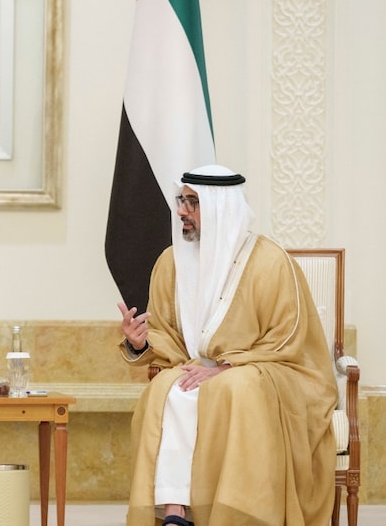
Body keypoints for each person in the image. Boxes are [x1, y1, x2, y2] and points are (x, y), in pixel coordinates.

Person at [116, 164, 337, 526]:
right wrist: (140, 341)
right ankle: (175, 511)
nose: (181, 211)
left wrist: (224, 368)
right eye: (181, 200)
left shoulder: (270, 262)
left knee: (234, 388)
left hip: (271, 372)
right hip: (197, 370)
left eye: (193, 203)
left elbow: (288, 338)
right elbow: (169, 335)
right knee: (164, 389)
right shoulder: (172, 263)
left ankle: (237, 515)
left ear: (221, 206)